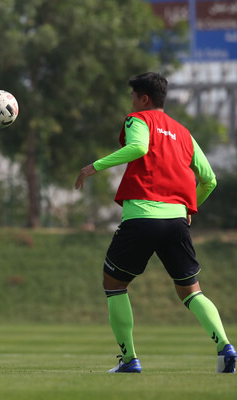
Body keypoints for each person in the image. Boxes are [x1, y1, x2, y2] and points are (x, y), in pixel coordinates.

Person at [75, 72, 236, 374]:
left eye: (133, 97)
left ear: (144, 99)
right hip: (176, 220)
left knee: (114, 285)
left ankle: (129, 360)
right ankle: (225, 347)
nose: (132, 103)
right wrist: (190, 206)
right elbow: (209, 179)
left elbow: (138, 148)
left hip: (142, 218)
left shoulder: (139, 120)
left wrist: (91, 168)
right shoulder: (184, 133)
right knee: (191, 291)